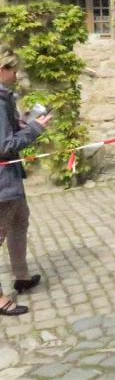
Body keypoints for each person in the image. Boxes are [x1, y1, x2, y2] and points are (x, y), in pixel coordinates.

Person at [0, 46, 51, 316]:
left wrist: (22, 124)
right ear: (2, 70)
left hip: (11, 179)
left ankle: (21, 276)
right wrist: (35, 129)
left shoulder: (5, 97)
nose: (17, 74)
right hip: (2, 182)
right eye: (14, 69)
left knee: (20, 222)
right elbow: (4, 146)